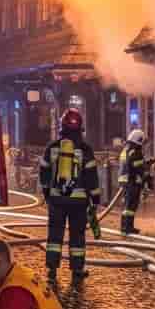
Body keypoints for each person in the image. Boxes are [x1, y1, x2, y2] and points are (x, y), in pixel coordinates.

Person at [39, 109, 101, 279]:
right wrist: (95, 198)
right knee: (77, 237)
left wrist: (47, 193)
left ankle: (52, 269)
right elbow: (91, 176)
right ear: (80, 128)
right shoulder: (85, 149)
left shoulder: (52, 147)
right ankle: (77, 270)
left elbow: (44, 172)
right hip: (79, 203)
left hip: (56, 199)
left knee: (54, 235)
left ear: (61, 127)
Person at [117, 129, 155, 236]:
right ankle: (127, 228)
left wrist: (152, 161)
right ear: (138, 140)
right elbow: (140, 168)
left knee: (128, 206)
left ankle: (126, 227)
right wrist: (148, 179)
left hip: (125, 181)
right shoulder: (136, 152)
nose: (143, 144)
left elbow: (137, 164)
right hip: (132, 181)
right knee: (131, 206)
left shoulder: (127, 150)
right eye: (142, 141)